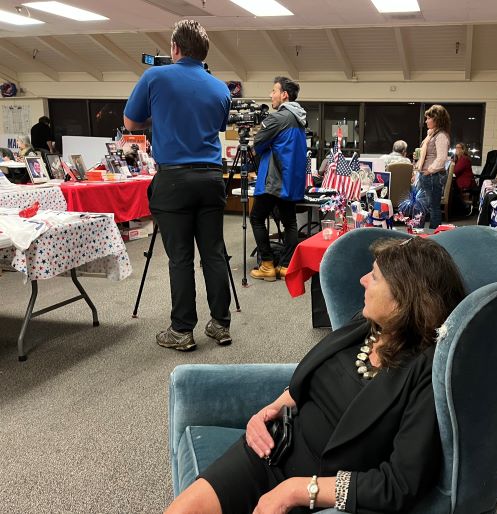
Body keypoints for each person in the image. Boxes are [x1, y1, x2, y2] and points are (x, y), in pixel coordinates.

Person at [164, 237, 466, 514]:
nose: (362, 280)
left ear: (404, 299)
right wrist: (269, 409)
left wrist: (298, 490)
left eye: (374, 276)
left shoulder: (425, 373)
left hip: (319, 488)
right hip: (272, 449)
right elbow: (303, 386)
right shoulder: (368, 327)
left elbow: (399, 484)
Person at [123, 19, 232, 352]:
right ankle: (220, 325)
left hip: (174, 180)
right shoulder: (221, 88)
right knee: (214, 253)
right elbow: (217, 124)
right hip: (212, 178)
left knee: (180, 258)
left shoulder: (155, 76)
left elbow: (131, 122)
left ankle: (182, 330)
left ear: (175, 48)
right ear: (203, 52)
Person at [249, 76, 307, 282]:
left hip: (274, 180)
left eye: (274, 90)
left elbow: (257, 145)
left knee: (256, 218)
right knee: (289, 222)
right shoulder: (300, 120)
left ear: (284, 95)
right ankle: (285, 265)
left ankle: (267, 264)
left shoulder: (277, 118)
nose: (270, 95)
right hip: (291, 180)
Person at [414, 104, 451, 229]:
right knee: (425, 206)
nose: (426, 121)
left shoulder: (441, 136)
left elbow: (441, 158)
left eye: (428, 118)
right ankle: (424, 233)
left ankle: (434, 235)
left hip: (432, 176)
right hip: (428, 175)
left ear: (436, 119)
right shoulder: (431, 135)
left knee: (433, 208)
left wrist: (428, 171)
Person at [451, 143, 475, 217]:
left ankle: (463, 208)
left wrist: (452, 163)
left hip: (465, 182)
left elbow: (455, 170)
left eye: (459, 148)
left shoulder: (464, 159)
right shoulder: (458, 159)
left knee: (452, 189)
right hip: (460, 180)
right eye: (456, 147)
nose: (456, 149)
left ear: (463, 149)